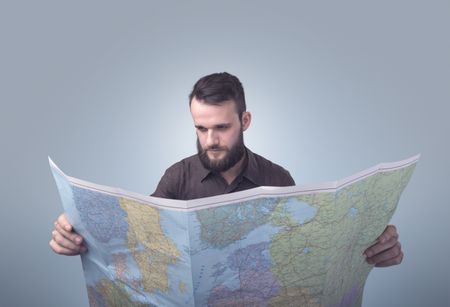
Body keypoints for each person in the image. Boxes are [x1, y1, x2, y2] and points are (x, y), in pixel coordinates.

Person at [49, 72, 403, 267]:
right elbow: (138, 241)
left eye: (221, 127)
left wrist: (370, 243)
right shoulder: (177, 177)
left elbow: (308, 251)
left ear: (244, 121)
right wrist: (78, 235)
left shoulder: (278, 179)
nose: (210, 140)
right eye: (201, 129)